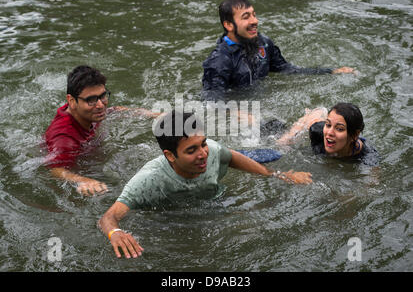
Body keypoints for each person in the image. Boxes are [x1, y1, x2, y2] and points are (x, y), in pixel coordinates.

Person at [98, 110, 313, 259]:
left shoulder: (211, 149)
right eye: (191, 150)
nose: (203, 154)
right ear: (170, 156)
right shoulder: (149, 180)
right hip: (168, 219)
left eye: (202, 144)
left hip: (214, 202)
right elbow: (108, 217)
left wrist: (276, 174)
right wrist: (115, 232)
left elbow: (232, 156)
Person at [202, 0, 356, 101]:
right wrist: (237, 112)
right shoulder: (219, 61)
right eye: (246, 17)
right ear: (228, 25)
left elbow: (286, 69)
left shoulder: (263, 43)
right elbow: (212, 102)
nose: (255, 21)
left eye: (254, 15)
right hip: (241, 110)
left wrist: (330, 71)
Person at [44, 65, 158, 196]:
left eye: (103, 96)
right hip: (78, 163)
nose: (100, 105)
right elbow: (55, 169)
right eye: (91, 100)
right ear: (71, 101)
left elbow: (114, 111)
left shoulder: (86, 111)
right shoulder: (63, 136)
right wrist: (84, 181)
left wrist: (152, 114)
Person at [276, 103, 379, 166]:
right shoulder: (317, 132)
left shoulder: (367, 156)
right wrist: (288, 138)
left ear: (355, 135)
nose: (329, 133)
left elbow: (372, 184)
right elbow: (317, 112)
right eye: (328, 124)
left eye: (339, 129)